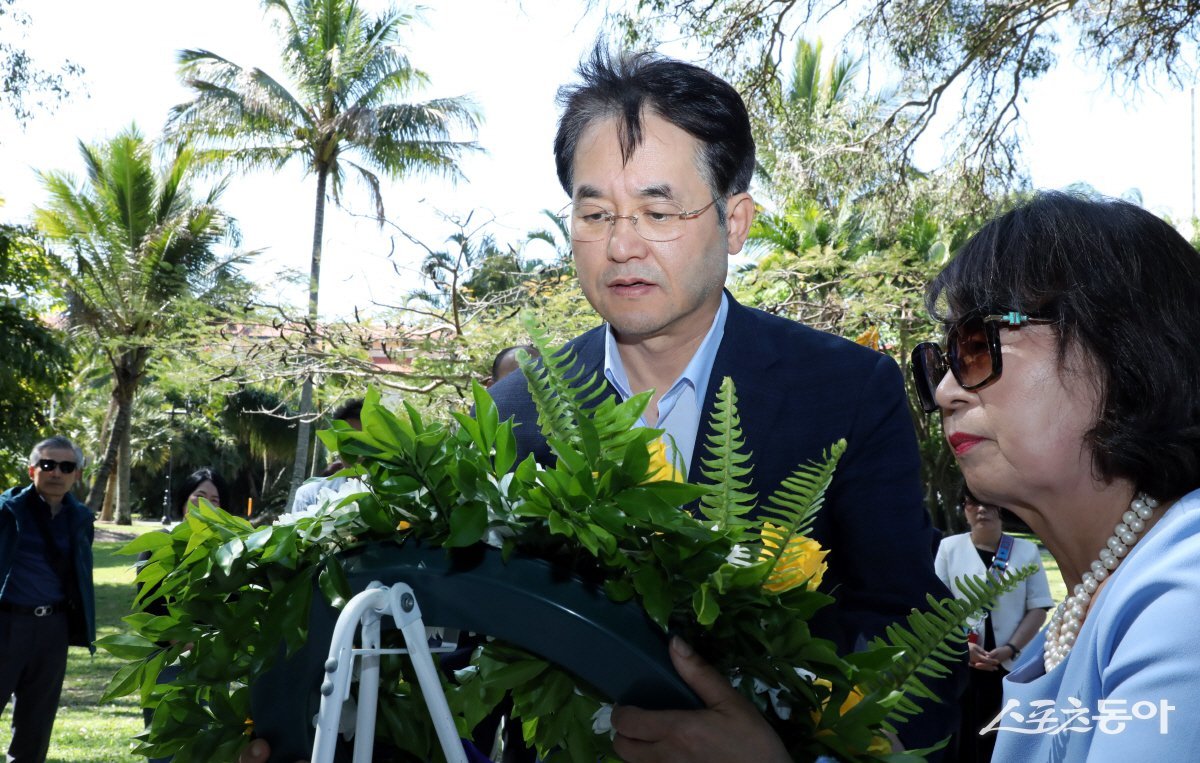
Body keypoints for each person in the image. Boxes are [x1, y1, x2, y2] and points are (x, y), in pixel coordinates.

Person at [486, 45, 957, 753]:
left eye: (657, 211)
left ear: (734, 222)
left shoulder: (847, 393)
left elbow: (909, 637)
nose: (622, 245)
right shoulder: (515, 411)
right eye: (596, 214)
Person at [911, 191, 1200, 759]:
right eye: (938, 364)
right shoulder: (1079, 614)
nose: (944, 392)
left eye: (976, 344)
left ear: (1123, 351)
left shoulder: (1184, 593)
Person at [934, 489, 1053, 761]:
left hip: (1010, 665)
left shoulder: (1026, 550)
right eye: (972, 503)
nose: (981, 510)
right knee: (962, 741)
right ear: (964, 508)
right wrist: (962, 648)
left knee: (1003, 737)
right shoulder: (949, 548)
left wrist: (1010, 648)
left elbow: (1038, 608)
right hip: (962, 662)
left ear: (1002, 509)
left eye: (989, 504)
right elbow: (939, 607)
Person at [0, 436, 96, 762]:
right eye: (48, 464)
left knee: (36, 727)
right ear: (32, 470)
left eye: (66, 467)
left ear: (77, 475)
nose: (56, 472)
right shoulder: (7, 510)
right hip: (6, 623)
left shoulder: (80, 519)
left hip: (53, 629)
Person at [290, 398, 363, 513]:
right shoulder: (310, 495)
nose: (359, 451)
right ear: (336, 444)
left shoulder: (392, 495)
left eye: (365, 442)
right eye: (350, 442)